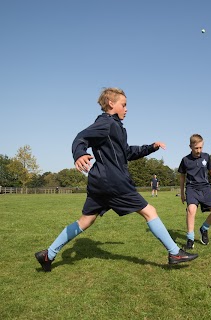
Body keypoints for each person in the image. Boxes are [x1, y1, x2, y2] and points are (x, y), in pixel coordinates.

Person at [34, 88, 197, 272]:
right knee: (150, 211)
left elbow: (127, 152)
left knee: (85, 221)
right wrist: (79, 153)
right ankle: (174, 252)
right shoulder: (106, 123)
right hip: (113, 181)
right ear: (111, 104)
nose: (126, 109)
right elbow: (81, 137)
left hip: (100, 182)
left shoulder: (116, 127)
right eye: (124, 104)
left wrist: (152, 147)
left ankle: (48, 254)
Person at [178, 134, 211, 250]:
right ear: (190, 146)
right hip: (191, 188)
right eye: (196, 148)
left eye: (201, 147)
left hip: (205, 188)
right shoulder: (185, 160)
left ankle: (204, 229)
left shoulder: (206, 157)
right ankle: (190, 239)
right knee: (191, 210)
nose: (199, 150)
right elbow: (182, 177)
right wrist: (182, 193)